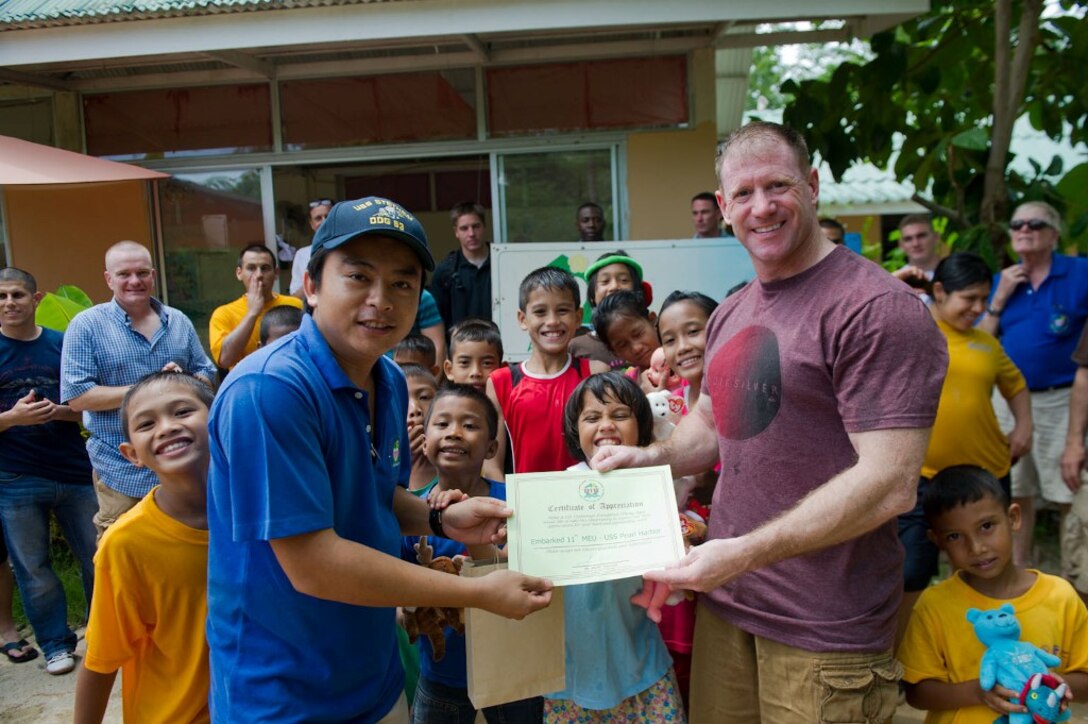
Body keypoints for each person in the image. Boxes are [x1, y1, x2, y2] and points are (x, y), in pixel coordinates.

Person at [592, 121, 948, 722]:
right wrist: (647, 458)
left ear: (811, 187)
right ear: (724, 207)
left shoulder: (876, 309)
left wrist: (738, 554)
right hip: (731, 612)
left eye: (777, 186)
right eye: (744, 194)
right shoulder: (733, 308)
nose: (762, 207)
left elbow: (890, 485)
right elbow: (711, 423)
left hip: (824, 630)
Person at [206, 195, 553, 722]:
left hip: (372, 675)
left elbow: (371, 495)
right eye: (358, 277)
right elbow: (314, 564)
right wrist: (477, 593)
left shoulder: (388, 379)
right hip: (284, 694)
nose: (381, 300)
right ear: (311, 285)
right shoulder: (269, 391)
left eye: (401, 283)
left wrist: (438, 515)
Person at [895, 252, 1033, 645]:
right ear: (939, 291)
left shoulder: (987, 343)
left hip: (985, 476)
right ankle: (902, 659)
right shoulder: (911, 331)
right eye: (969, 298)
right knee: (911, 572)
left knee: (984, 568)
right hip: (923, 477)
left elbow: (1017, 386)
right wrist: (895, 280)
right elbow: (856, 310)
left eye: (983, 299)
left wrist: (1025, 425)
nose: (978, 308)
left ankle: (982, 651)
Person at [73, 372, 215, 724]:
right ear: (132, 453)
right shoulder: (126, 544)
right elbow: (101, 659)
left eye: (182, 412)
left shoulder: (263, 513)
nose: (166, 427)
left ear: (221, 420)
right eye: (147, 423)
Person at [899, 465, 1088, 724]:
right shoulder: (933, 605)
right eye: (955, 536)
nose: (977, 547)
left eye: (986, 526)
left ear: (1013, 518)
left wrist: (1051, 683)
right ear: (938, 541)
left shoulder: (1060, 596)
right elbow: (917, 693)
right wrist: (977, 692)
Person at [402, 384, 544, 723]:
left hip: (514, 671)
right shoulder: (409, 511)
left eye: (469, 425)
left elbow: (530, 576)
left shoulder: (515, 502)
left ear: (492, 446)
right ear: (425, 438)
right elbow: (400, 590)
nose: (454, 433)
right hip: (441, 674)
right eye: (442, 424)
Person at [546, 371, 684, 721]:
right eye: (592, 417)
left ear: (642, 426)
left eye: (620, 415)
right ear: (577, 432)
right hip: (570, 676)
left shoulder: (655, 487)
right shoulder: (557, 492)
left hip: (642, 666)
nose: (606, 425)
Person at [60, 241, 217, 540]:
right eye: (124, 274)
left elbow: (207, 374)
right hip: (122, 469)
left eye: (142, 272)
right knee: (124, 547)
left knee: (191, 545)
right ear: (108, 279)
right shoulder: (87, 326)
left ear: (153, 275)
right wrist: (150, 388)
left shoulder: (178, 321)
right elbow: (78, 396)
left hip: (183, 462)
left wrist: (182, 381)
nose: (135, 281)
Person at [978, 201, 1088, 595]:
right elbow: (978, 343)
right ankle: (1020, 580)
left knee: (1069, 490)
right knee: (1016, 491)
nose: (1024, 229)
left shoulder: (1080, 273)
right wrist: (999, 296)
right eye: (1017, 224)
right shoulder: (1002, 281)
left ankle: (1074, 583)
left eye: (1035, 224)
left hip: (1063, 400)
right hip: (1009, 402)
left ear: (1054, 234)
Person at [0, 267, 97, 675]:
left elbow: (89, 399)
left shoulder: (63, 343)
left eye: (17, 295)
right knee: (33, 567)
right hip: (16, 477)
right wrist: (13, 418)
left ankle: (103, 633)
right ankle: (56, 644)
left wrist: (61, 411)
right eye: (1, 296)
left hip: (74, 469)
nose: (9, 303)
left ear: (36, 299)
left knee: (98, 557)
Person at [487, 267, 608, 475]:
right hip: (522, 505)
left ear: (578, 317)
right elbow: (491, 466)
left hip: (584, 502)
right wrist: (509, 506)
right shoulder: (501, 382)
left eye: (562, 310)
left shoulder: (595, 373)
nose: (552, 321)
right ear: (522, 319)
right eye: (540, 312)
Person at [209, 243, 304, 370]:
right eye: (251, 268)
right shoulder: (224, 313)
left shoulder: (296, 305)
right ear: (239, 273)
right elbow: (225, 360)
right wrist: (252, 313)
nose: (259, 275)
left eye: (265, 268)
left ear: (276, 273)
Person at [569, 251, 645, 370]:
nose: (614, 287)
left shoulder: (651, 339)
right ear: (592, 296)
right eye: (605, 281)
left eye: (624, 280)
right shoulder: (576, 347)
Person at [430, 202, 493, 329]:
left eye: (476, 226)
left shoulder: (501, 263)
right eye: (464, 228)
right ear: (456, 232)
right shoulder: (445, 271)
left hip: (500, 343)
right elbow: (437, 320)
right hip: (460, 345)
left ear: (484, 227)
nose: (471, 233)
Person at [593, 289, 659, 382]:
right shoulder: (627, 387)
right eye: (622, 345)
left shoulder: (683, 365)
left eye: (638, 334)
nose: (637, 348)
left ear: (652, 320)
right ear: (614, 351)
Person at [403, 364, 438, 492]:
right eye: (402, 399)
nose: (415, 410)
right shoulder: (383, 471)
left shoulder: (456, 468)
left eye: (424, 397)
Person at [443, 319, 503, 394]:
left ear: (502, 369)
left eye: (487, 363)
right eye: (464, 363)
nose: (475, 372)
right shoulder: (442, 405)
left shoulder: (510, 404)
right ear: (449, 370)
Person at [289, 198, 332, 296]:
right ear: (311, 224)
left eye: (328, 216)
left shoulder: (347, 247)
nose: (324, 221)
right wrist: (312, 277)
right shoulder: (302, 254)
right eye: (318, 218)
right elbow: (295, 297)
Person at [893, 215, 943, 297]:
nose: (915, 244)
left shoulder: (954, 273)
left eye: (921, 236)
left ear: (936, 237)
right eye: (908, 239)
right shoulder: (896, 281)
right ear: (900, 245)